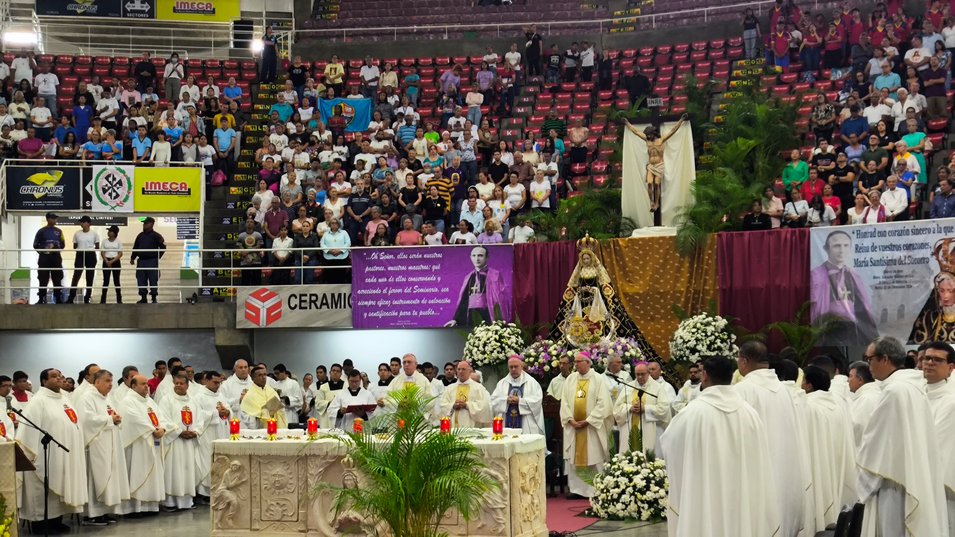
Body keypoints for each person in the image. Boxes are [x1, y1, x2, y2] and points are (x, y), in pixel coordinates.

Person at [660, 356, 781, 537]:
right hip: (742, 494)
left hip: (704, 492)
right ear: (732, 376)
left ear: (705, 376)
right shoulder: (750, 413)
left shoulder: (691, 413)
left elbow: (670, 447)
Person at [858, 336, 947, 536]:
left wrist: (862, 478)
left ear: (884, 359)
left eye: (869, 358)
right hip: (908, 472)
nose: (868, 364)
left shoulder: (895, 391)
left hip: (895, 481)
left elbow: (877, 444)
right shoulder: (912, 387)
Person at [734, 341, 809, 537]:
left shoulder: (743, 390)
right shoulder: (785, 389)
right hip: (787, 469)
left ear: (743, 361)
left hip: (758, 471)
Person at [17, 368, 88, 534]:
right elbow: (27, 431)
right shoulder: (38, 401)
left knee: (59, 492)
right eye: (54, 376)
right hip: (44, 455)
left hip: (63, 454)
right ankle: (41, 525)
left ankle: (56, 521)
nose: (59, 379)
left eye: (61, 376)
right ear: (43, 381)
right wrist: (31, 456)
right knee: (45, 490)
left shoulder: (64, 398)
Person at [801, 366, 857, 530]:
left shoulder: (809, 406)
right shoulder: (838, 405)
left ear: (809, 385)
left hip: (818, 463)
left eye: (803, 380)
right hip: (836, 462)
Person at [74, 369, 129, 525]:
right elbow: (86, 420)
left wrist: (116, 419)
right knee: (95, 478)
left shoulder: (107, 398)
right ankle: (91, 514)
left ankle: (103, 511)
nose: (110, 384)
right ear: (96, 382)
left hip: (110, 443)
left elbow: (112, 415)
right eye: (107, 381)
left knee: (109, 478)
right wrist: (110, 419)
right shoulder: (87, 398)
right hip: (95, 445)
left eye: (111, 381)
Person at [810, 230, 879, 345]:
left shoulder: (854, 275)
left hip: (851, 329)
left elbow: (863, 306)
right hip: (828, 328)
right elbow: (815, 305)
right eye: (837, 246)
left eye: (846, 245)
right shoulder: (816, 275)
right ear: (826, 248)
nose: (842, 250)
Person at [559, 351, 613, 499]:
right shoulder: (570, 379)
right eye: (575, 362)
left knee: (593, 456)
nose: (575, 364)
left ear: (588, 362)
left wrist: (588, 420)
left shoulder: (598, 379)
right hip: (574, 426)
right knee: (575, 460)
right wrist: (570, 419)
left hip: (591, 427)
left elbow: (603, 403)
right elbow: (564, 402)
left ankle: (595, 489)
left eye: (579, 361)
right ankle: (576, 489)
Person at [623, 114, 689, 212]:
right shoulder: (647, 140)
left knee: (657, 183)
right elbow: (636, 132)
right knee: (650, 183)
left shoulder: (661, 140)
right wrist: (627, 123)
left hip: (659, 165)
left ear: (653, 133)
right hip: (651, 166)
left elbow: (673, 131)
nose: (648, 136)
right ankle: (652, 202)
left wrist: (681, 120)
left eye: (649, 134)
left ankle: (657, 202)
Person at [921, 341, 955, 535]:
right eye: (926, 358)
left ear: (950, 368)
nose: (930, 363)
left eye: (937, 360)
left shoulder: (951, 402)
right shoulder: (918, 394)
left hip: (942, 485)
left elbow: (935, 444)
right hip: (920, 478)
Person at [612, 361, 672, 455]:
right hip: (628, 429)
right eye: (637, 374)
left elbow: (664, 409)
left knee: (647, 457)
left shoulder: (658, 388)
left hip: (649, 429)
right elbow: (617, 408)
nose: (640, 377)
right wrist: (630, 408)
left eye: (642, 374)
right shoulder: (628, 387)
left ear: (648, 373)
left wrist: (645, 408)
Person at [445, 245, 510, 328]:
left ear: (487, 257)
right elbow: (464, 301)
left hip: (488, 315)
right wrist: (456, 319)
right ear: (470, 257)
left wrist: (500, 319)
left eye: (480, 255)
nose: (477, 259)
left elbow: (501, 299)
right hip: (471, 316)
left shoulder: (495, 275)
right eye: (474, 255)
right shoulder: (468, 277)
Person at [158, 374, 196, 511]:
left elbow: (200, 418)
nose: (178, 385)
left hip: (189, 442)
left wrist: (195, 431)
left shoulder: (193, 401)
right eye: (176, 383)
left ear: (187, 385)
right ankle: (170, 502)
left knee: (187, 470)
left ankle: (187, 502)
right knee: (173, 471)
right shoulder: (166, 400)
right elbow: (163, 419)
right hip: (174, 442)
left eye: (181, 383)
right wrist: (179, 431)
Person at [193, 371, 230, 500]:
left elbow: (228, 409)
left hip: (222, 432)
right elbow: (197, 415)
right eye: (215, 382)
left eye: (219, 382)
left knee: (221, 461)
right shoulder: (199, 396)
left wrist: (227, 411)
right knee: (208, 461)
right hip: (207, 434)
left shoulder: (221, 394)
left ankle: (220, 489)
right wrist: (215, 413)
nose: (218, 385)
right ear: (206, 381)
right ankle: (205, 493)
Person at [490, 356, 544, 434]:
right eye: (511, 367)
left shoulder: (532, 382)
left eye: (516, 366)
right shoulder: (502, 383)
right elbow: (493, 401)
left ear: (521, 367)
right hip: (506, 423)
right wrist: (506, 400)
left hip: (526, 424)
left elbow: (537, 401)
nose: (513, 369)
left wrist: (520, 401)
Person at [436, 360, 491, 427]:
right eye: (459, 369)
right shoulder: (450, 388)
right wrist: (453, 406)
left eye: (463, 369)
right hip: (453, 428)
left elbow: (485, 406)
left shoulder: (478, 388)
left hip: (472, 427)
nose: (460, 371)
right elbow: (442, 405)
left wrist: (467, 405)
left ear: (469, 371)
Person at [130, 216, 165, 303]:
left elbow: (163, 247)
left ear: (151, 224)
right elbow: (135, 247)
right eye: (144, 223)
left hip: (152, 261)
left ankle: (154, 297)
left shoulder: (156, 236)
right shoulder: (140, 235)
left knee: (153, 279)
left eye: (146, 223)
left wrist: (158, 256)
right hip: (141, 260)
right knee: (141, 280)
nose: (144, 225)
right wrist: (132, 258)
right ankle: (143, 298)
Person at [239, 365, 287, 429]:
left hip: (275, 427)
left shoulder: (272, 391)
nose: (263, 377)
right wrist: (261, 414)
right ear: (253, 378)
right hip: (259, 429)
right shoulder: (249, 395)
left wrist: (278, 408)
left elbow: (280, 409)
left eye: (265, 374)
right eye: (260, 375)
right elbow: (246, 416)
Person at [66, 215, 99, 304]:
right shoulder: (77, 233)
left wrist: (89, 248)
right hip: (80, 254)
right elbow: (74, 245)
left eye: (83, 222)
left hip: (90, 254)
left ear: (88, 223)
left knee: (90, 277)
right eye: (81, 222)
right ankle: (71, 297)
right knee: (76, 276)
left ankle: (87, 297)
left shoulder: (94, 234)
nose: (81, 224)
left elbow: (97, 246)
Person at [33, 211, 65, 304]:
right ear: (47, 219)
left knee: (57, 277)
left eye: (55, 218)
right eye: (53, 218)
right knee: (43, 277)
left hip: (56, 257)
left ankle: (58, 298)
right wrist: (44, 250)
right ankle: (42, 298)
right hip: (44, 257)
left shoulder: (59, 231)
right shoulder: (41, 231)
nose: (55, 220)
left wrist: (55, 248)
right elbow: (35, 244)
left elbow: (63, 244)